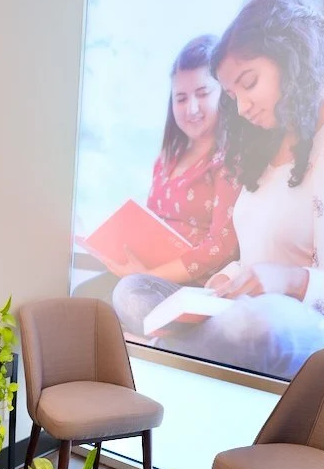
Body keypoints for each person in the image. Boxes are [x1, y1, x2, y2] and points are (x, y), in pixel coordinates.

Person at [138, 0, 324, 378]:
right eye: (232, 95)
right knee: (134, 292)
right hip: (255, 313)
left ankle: (163, 346)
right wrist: (231, 278)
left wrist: (292, 282)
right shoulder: (270, 141)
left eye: (249, 82)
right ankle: (179, 341)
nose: (242, 107)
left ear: (292, 58)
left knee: (261, 323)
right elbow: (260, 260)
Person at [78, 35, 241, 306]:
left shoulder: (228, 161)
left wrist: (148, 275)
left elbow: (220, 248)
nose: (192, 108)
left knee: (109, 306)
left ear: (224, 94)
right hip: (146, 273)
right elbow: (150, 225)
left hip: (191, 285)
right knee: (82, 297)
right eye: (181, 98)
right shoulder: (168, 159)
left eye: (202, 94)